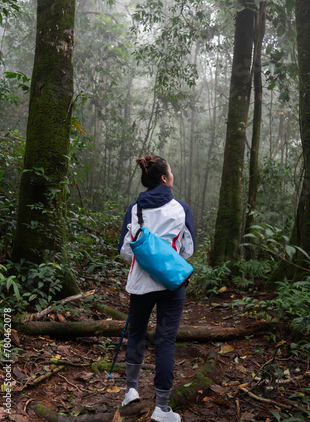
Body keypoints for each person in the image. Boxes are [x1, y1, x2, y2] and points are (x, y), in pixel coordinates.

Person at [118, 155, 195, 422]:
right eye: (170, 171)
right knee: (165, 341)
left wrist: (147, 263)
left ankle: (131, 391)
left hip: (140, 284)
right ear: (164, 179)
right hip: (172, 284)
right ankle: (162, 408)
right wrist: (165, 263)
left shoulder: (134, 209)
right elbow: (188, 250)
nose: (172, 175)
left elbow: (126, 250)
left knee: (137, 333)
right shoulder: (181, 208)